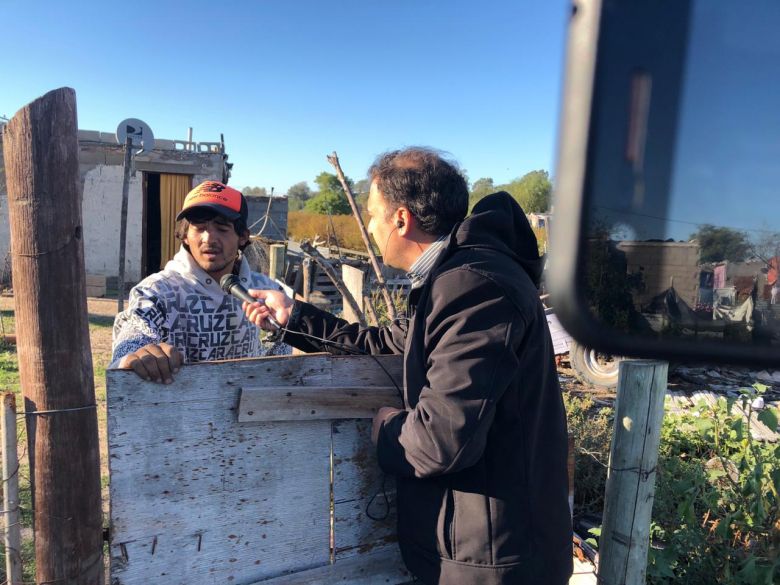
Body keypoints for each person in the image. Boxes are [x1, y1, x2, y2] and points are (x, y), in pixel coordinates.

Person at [243, 148, 572, 585]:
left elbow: (442, 440)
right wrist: (295, 318)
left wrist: (388, 429)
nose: (371, 227)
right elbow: (383, 345)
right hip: (481, 551)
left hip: (494, 564)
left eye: (374, 215)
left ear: (400, 219)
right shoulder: (453, 279)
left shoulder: (474, 286)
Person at [110, 180, 289, 383]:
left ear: (242, 237)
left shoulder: (269, 293)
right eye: (199, 227)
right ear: (185, 235)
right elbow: (132, 337)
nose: (209, 238)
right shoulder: (156, 293)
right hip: (182, 412)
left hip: (249, 411)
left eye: (222, 228)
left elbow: (284, 364)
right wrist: (136, 356)